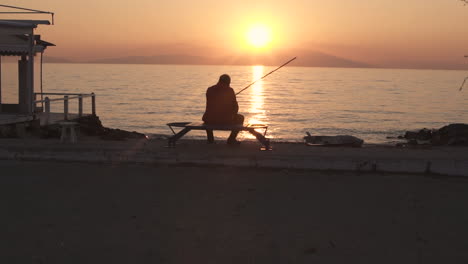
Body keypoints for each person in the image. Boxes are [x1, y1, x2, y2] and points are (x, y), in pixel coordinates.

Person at [202, 74, 244, 144]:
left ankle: (210, 139)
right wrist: (232, 115)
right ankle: (231, 139)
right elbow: (235, 107)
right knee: (241, 118)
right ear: (228, 82)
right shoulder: (230, 90)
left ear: (219, 80)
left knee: (209, 116)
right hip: (224, 120)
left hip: (209, 119)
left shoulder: (210, 89)